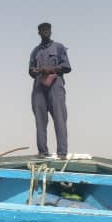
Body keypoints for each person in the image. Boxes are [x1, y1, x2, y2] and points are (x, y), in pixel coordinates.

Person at [28, 22, 71, 159]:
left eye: (47, 30)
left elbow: (67, 67)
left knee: (59, 118)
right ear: (39, 33)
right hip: (39, 86)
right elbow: (30, 70)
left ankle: (62, 153)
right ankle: (42, 151)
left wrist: (51, 69)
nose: (45, 32)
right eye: (42, 30)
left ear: (51, 32)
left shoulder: (59, 47)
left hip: (56, 85)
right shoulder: (35, 51)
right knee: (40, 120)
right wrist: (38, 71)